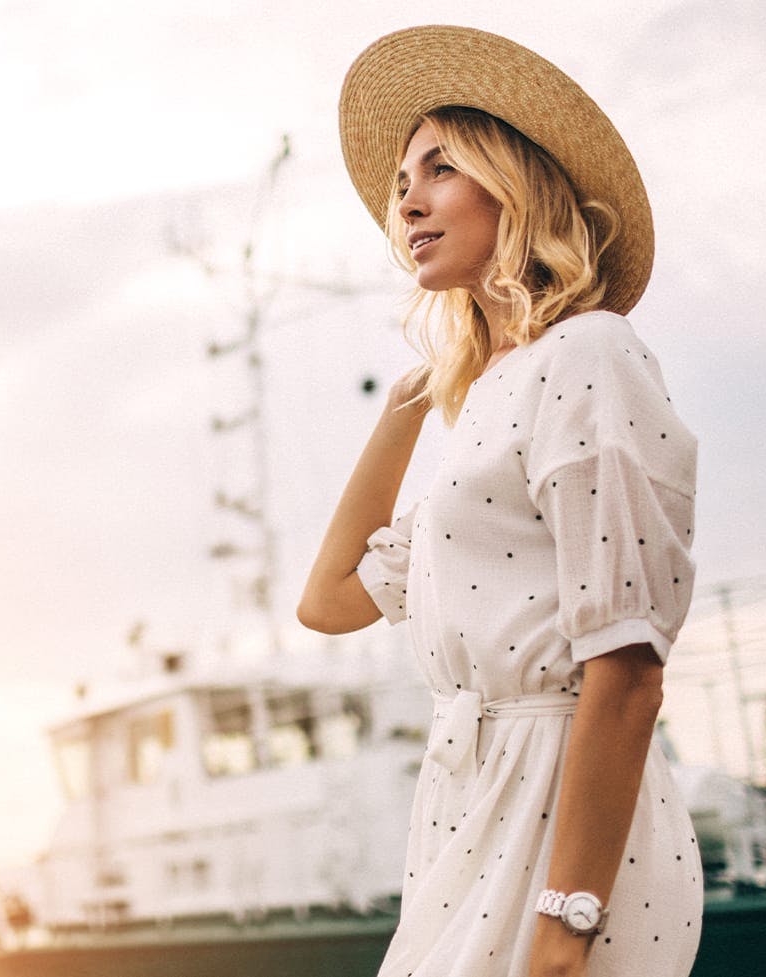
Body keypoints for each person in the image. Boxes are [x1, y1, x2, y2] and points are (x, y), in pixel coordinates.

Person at [299, 25, 702, 977]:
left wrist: (566, 928)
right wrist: (412, 399)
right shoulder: (485, 402)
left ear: (512, 188)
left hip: (555, 793)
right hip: (465, 795)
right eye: (401, 185)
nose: (408, 202)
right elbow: (329, 601)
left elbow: (630, 666)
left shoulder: (590, 354)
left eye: (440, 168)